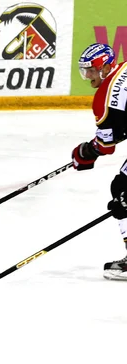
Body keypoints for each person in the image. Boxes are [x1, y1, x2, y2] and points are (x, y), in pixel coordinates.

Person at [69, 43, 127, 280]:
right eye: (84, 71)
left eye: (91, 70)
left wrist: (86, 152)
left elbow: (106, 146)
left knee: (122, 191)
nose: (88, 76)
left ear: (104, 67)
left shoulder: (104, 97)